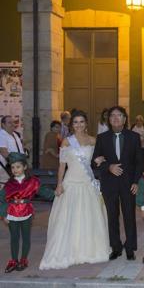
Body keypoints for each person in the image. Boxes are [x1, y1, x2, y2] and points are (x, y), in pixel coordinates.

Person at [40, 110, 110, 270]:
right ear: (72, 125)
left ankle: (89, 250)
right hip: (71, 181)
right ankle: (70, 250)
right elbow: (62, 165)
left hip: (87, 183)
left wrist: (100, 160)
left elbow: (99, 159)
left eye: (82, 122)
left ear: (86, 124)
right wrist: (59, 184)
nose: (79, 125)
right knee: (69, 217)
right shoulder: (66, 141)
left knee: (88, 216)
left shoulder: (93, 140)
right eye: (76, 122)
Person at [92, 106, 144, 261]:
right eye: (112, 116)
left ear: (124, 119)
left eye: (119, 115)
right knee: (112, 216)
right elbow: (94, 162)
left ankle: (130, 248)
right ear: (109, 120)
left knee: (129, 216)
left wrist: (136, 181)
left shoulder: (134, 137)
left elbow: (139, 162)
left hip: (129, 183)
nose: (115, 118)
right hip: (109, 184)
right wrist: (109, 167)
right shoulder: (102, 138)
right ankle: (115, 247)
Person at [0, 152, 55, 273]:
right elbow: (1, 200)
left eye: (18, 167)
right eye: (13, 167)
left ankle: (23, 260)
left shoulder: (33, 182)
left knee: (25, 237)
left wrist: (56, 195)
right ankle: (14, 260)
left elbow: (44, 191)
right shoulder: (9, 185)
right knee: (14, 237)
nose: (15, 170)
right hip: (12, 214)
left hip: (26, 213)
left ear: (24, 167)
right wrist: (3, 215)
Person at [0, 115, 25, 187]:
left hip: (16, 167)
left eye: (13, 122)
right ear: (3, 124)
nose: (12, 124)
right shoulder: (1, 135)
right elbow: (3, 151)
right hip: (6, 168)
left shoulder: (15, 134)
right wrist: (14, 164)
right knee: (5, 188)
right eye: (9, 122)